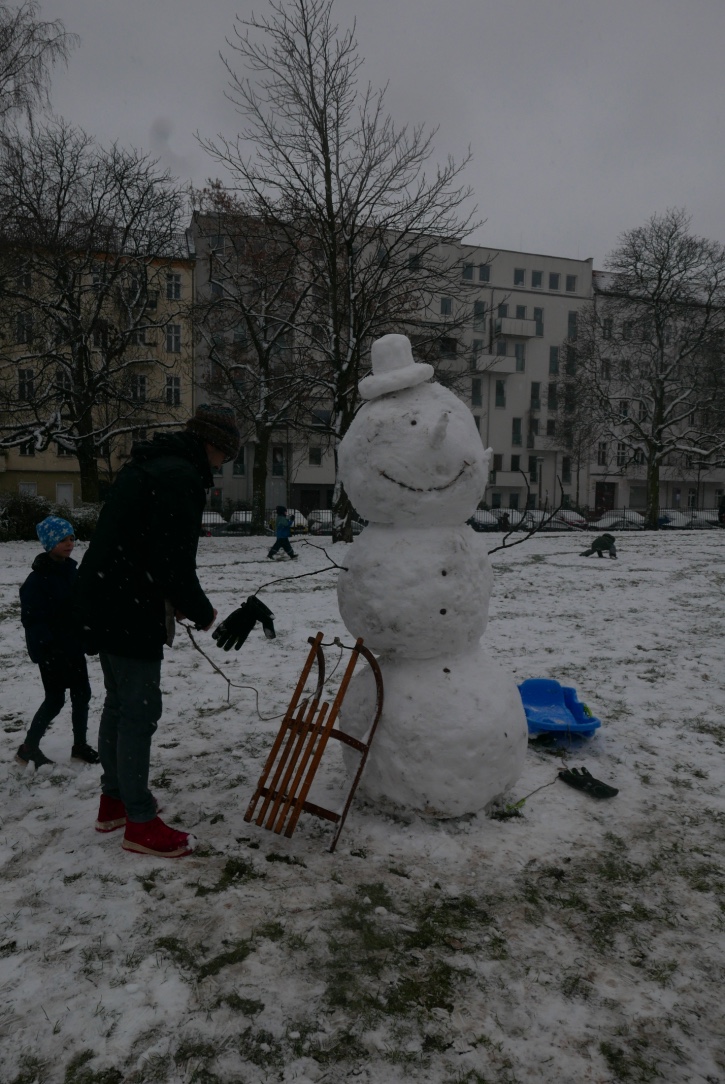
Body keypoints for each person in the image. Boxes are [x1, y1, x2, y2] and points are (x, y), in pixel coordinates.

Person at [74, 404, 240, 858]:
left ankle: (114, 801)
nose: (224, 463)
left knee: (119, 703)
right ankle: (140, 822)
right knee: (140, 711)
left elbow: (144, 543)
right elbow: (171, 559)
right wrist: (200, 611)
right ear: (215, 445)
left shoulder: (151, 463)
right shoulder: (179, 477)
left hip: (103, 596)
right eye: (226, 454)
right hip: (129, 605)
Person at [17, 516, 98, 770]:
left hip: (73, 646)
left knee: (82, 694)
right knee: (55, 699)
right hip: (52, 651)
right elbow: (32, 619)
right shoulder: (36, 580)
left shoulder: (71, 571)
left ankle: (80, 746)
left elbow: (80, 607)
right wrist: (47, 647)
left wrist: (88, 633)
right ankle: (28, 748)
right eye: (63, 539)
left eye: (72, 538)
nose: (69, 543)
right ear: (49, 542)